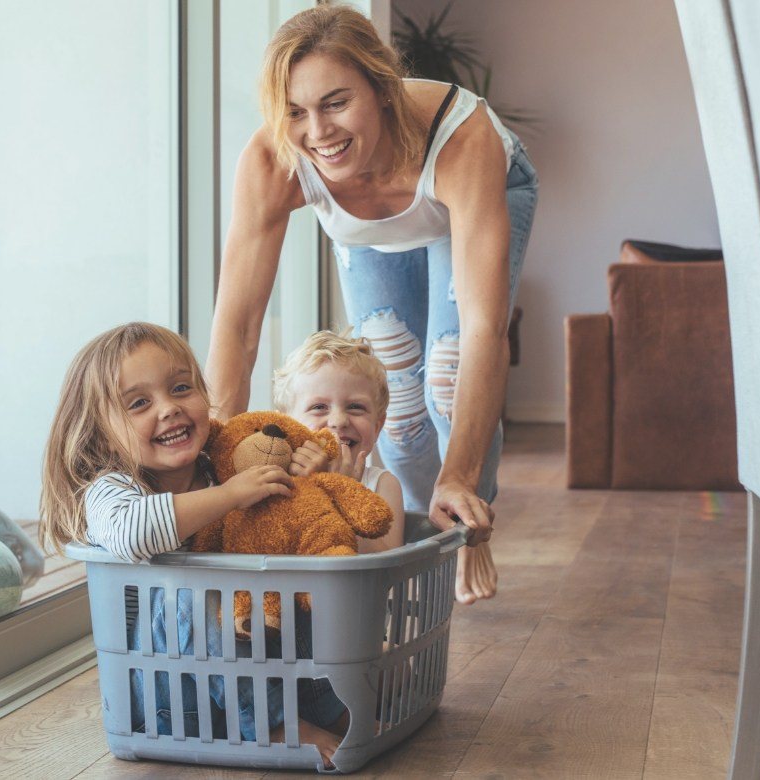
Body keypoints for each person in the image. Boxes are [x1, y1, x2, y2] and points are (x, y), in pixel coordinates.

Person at [206, 5, 539, 604]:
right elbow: (238, 324)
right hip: (374, 233)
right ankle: (418, 539)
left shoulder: (461, 135)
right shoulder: (274, 160)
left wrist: (460, 474)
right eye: (296, 112)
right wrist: (212, 461)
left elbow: (486, 329)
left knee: (445, 371)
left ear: (382, 89)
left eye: (336, 102)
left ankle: (467, 518)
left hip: (472, 196)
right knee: (400, 408)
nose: (319, 132)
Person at [39, 321, 347, 767]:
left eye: (181, 388)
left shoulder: (222, 466)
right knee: (192, 589)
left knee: (289, 589)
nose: (169, 409)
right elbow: (132, 533)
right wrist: (232, 495)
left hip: (250, 683)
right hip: (172, 703)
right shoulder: (112, 489)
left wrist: (306, 476)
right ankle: (275, 724)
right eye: (139, 403)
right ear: (100, 432)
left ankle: (328, 710)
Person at [273, 329, 406, 552]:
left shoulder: (382, 485)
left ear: (377, 426)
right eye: (319, 407)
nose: (338, 421)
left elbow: (387, 562)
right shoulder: (276, 477)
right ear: (287, 424)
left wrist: (338, 491)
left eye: (355, 407)